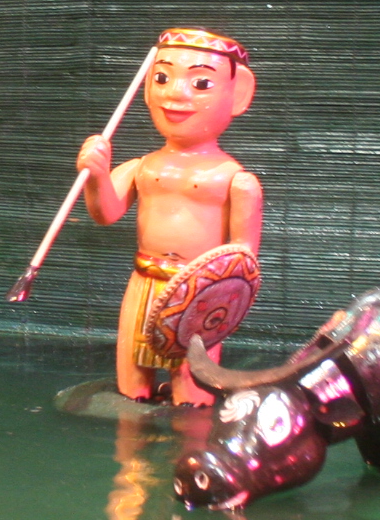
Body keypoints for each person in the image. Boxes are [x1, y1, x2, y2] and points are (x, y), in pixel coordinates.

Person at [75, 28, 262, 406]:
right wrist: (96, 175)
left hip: (199, 297)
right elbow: (105, 213)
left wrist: (212, 300)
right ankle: (132, 460)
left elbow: (243, 262)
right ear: (146, 86)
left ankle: (191, 450)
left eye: (201, 82)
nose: (176, 93)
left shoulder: (236, 181)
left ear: (238, 94)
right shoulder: (141, 167)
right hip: (143, 282)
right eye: (162, 77)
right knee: (131, 382)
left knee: (193, 390)